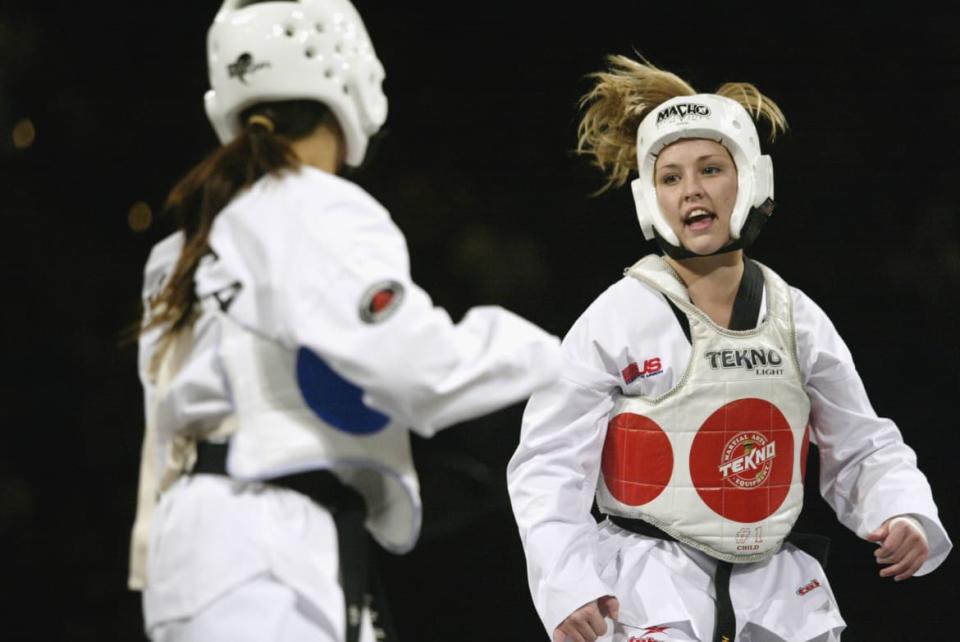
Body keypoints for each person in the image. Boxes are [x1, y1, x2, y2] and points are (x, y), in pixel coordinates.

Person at [126, 1, 562, 641]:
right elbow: (422, 367)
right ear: (351, 80)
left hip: (190, 549)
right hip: (267, 546)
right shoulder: (312, 205)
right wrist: (562, 355)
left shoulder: (182, 244)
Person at [506, 55, 951, 642]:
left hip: (778, 597)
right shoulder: (616, 319)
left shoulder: (797, 319)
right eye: (671, 177)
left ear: (751, 179)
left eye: (711, 168)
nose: (692, 190)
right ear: (650, 197)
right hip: (647, 593)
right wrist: (566, 582)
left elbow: (861, 442)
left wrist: (900, 510)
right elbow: (549, 464)